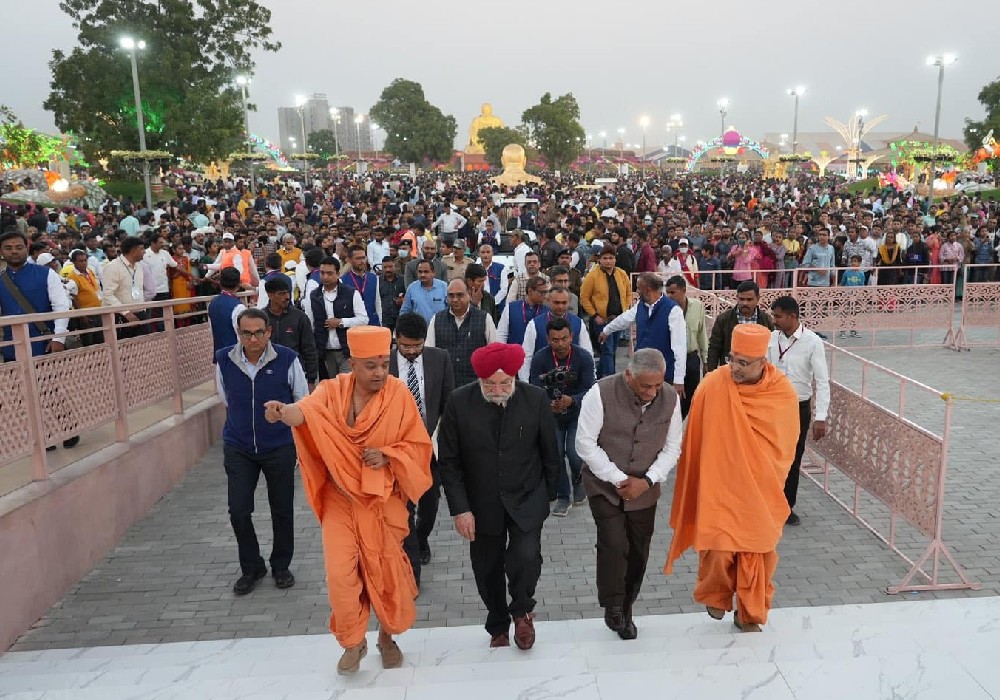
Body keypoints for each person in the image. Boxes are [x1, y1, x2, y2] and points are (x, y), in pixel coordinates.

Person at [264, 325, 432, 674]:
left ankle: (387, 638)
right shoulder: (332, 390)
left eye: (385, 364)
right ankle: (354, 641)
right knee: (340, 576)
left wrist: (388, 454)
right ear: (352, 364)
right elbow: (304, 413)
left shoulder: (399, 394)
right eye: (371, 365)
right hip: (340, 498)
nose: (380, 373)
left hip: (381, 498)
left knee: (385, 570)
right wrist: (283, 412)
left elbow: (418, 445)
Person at [665, 324, 799, 633]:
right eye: (732, 359)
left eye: (743, 363)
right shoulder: (713, 384)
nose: (735, 368)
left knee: (757, 549)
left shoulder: (781, 392)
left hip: (760, 489)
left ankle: (749, 613)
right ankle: (717, 594)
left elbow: (785, 445)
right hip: (721, 487)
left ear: (762, 363)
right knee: (720, 547)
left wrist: (763, 470)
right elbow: (696, 435)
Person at [438, 343, 560, 650]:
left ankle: (522, 612)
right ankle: (497, 624)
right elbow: (449, 463)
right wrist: (460, 509)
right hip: (481, 504)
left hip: (527, 497)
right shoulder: (458, 402)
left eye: (504, 383)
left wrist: (549, 496)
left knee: (526, 556)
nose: (497, 389)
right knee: (487, 567)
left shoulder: (535, 399)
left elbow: (550, 452)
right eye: (489, 384)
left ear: (515, 377)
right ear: (478, 380)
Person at [576, 349, 682, 640]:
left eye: (657, 386)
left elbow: (673, 447)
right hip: (604, 486)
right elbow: (584, 443)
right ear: (628, 376)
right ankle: (612, 605)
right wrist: (619, 479)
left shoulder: (670, 399)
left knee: (638, 551)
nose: (651, 393)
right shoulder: (600, 393)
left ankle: (627, 606)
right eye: (645, 386)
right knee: (613, 544)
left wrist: (646, 481)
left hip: (645, 490)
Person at [215, 308, 308, 596]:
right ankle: (252, 566)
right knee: (238, 510)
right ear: (239, 334)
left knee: (282, 509)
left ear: (268, 332)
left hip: (279, 446)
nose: (252, 338)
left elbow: (302, 402)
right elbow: (225, 398)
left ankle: (281, 565)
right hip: (238, 446)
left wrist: (284, 414)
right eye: (246, 333)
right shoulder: (224, 360)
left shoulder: (287, 359)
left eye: (258, 332)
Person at [390, 313, 455, 581]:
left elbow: (449, 402)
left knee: (430, 504)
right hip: (397, 448)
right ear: (396, 340)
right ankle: (411, 565)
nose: (412, 351)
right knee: (404, 509)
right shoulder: (385, 362)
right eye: (406, 346)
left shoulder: (439, 358)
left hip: (430, 445)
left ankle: (421, 537)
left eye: (417, 346)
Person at [767, 296, 829, 527]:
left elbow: (822, 381)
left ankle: (786, 506)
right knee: (769, 456)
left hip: (798, 407)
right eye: (774, 315)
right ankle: (767, 503)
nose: (774, 320)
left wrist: (821, 417)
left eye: (778, 316)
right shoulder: (771, 338)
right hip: (772, 406)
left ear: (793, 316)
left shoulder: (812, 342)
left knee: (792, 457)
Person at [529, 316, 595, 517]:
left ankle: (578, 478)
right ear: (548, 339)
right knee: (555, 454)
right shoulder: (540, 358)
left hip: (577, 413)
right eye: (555, 340)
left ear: (571, 337)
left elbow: (590, 390)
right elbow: (534, 387)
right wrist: (547, 404)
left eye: (564, 339)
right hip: (551, 415)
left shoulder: (583, 357)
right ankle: (563, 496)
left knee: (574, 453)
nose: (560, 344)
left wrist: (572, 400)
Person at [599, 273, 686, 394]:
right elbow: (624, 319)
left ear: (647, 290)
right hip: (641, 372)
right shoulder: (640, 306)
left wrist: (679, 380)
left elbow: (679, 347)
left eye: (638, 288)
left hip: (664, 374)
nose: (637, 291)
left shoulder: (673, 311)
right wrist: (606, 330)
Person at [304, 256, 369, 378]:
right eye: (322, 273)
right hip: (324, 352)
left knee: (346, 385)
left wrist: (341, 322)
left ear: (338, 274)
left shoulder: (351, 293)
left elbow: (363, 319)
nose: (325, 277)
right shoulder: (313, 296)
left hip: (347, 351)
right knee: (330, 388)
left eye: (329, 273)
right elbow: (310, 324)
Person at [426, 278, 498, 386]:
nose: (455, 299)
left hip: (476, 385)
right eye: (451, 295)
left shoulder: (484, 318)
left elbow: (494, 352)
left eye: (459, 295)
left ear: (469, 294)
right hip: (445, 385)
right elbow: (429, 353)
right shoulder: (437, 319)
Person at [519, 286, 593, 380]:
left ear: (569, 302)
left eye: (564, 302)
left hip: (573, 381)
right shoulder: (534, 324)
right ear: (548, 301)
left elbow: (588, 354)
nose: (560, 306)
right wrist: (525, 384)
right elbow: (526, 356)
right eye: (556, 302)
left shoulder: (578, 323)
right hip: (544, 381)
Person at [580, 248, 631, 378]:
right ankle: (610, 379)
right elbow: (584, 298)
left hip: (618, 319)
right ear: (599, 260)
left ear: (615, 259)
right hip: (601, 320)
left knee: (611, 351)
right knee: (607, 350)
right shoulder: (593, 275)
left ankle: (600, 376)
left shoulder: (621, 274)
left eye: (611, 258)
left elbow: (628, 293)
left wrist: (625, 311)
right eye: (605, 258)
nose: (608, 261)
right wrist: (594, 315)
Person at [663, 275, 708, 418]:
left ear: (683, 290)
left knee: (691, 395)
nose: (669, 296)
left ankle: (683, 424)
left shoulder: (697, 306)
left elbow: (701, 333)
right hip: (672, 359)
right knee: (672, 396)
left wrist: (705, 359)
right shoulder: (665, 309)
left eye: (673, 292)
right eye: (667, 292)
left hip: (691, 358)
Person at [261, 277, 319, 388]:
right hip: (268, 375)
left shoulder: (299, 317)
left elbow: (310, 349)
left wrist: (311, 379)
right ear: (270, 295)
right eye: (281, 294)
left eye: (287, 293)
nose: (287, 297)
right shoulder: (261, 318)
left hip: (297, 375)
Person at [706, 280, 774, 371]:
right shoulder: (723, 319)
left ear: (758, 298)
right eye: (741, 299)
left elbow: (772, 349)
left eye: (749, 299)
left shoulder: (766, 321)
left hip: (757, 373)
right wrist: (711, 373)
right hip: (731, 371)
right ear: (737, 297)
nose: (744, 303)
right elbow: (714, 349)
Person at [101, 235, 149, 338]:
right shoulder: (113, 267)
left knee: (144, 348)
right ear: (133, 251)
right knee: (124, 350)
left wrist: (143, 310)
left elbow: (139, 290)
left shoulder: (139, 267)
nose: (144, 252)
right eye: (141, 249)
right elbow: (108, 294)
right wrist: (126, 313)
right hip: (121, 316)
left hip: (140, 313)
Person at [496, 276, 548, 346]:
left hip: (537, 355)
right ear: (530, 291)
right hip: (514, 353)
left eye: (546, 292)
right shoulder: (511, 308)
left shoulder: (547, 311)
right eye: (542, 292)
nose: (545, 296)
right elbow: (501, 335)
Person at [208, 268, 247, 357]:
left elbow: (211, 330)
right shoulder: (239, 307)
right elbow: (243, 337)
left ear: (220, 283)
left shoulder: (212, 303)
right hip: (236, 358)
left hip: (219, 356)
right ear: (239, 283)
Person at [341, 245, 381, 327]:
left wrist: (380, 322)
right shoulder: (343, 280)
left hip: (373, 323)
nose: (362, 261)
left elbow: (378, 303)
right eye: (358, 258)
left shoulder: (373, 278)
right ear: (349, 260)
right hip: (354, 326)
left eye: (363, 258)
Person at [400, 259, 449, 323]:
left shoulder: (444, 287)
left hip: (440, 328)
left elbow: (450, 309)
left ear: (433, 272)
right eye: (420, 272)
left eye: (426, 272)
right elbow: (405, 311)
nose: (422, 275)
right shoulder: (412, 288)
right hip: (419, 330)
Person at [378, 256, 406, 334]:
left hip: (400, 316)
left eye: (390, 267)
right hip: (385, 318)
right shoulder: (378, 281)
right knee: (385, 341)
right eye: (385, 267)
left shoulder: (403, 280)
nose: (388, 269)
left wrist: (403, 300)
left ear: (395, 266)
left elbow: (409, 295)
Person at [478, 242, 509, 308]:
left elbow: (504, 289)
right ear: (479, 254)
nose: (485, 255)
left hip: (497, 306)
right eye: (483, 252)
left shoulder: (501, 268)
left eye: (488, 252)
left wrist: (493, 302)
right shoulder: (475, 269)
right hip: (479, 305)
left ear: (492, 253)